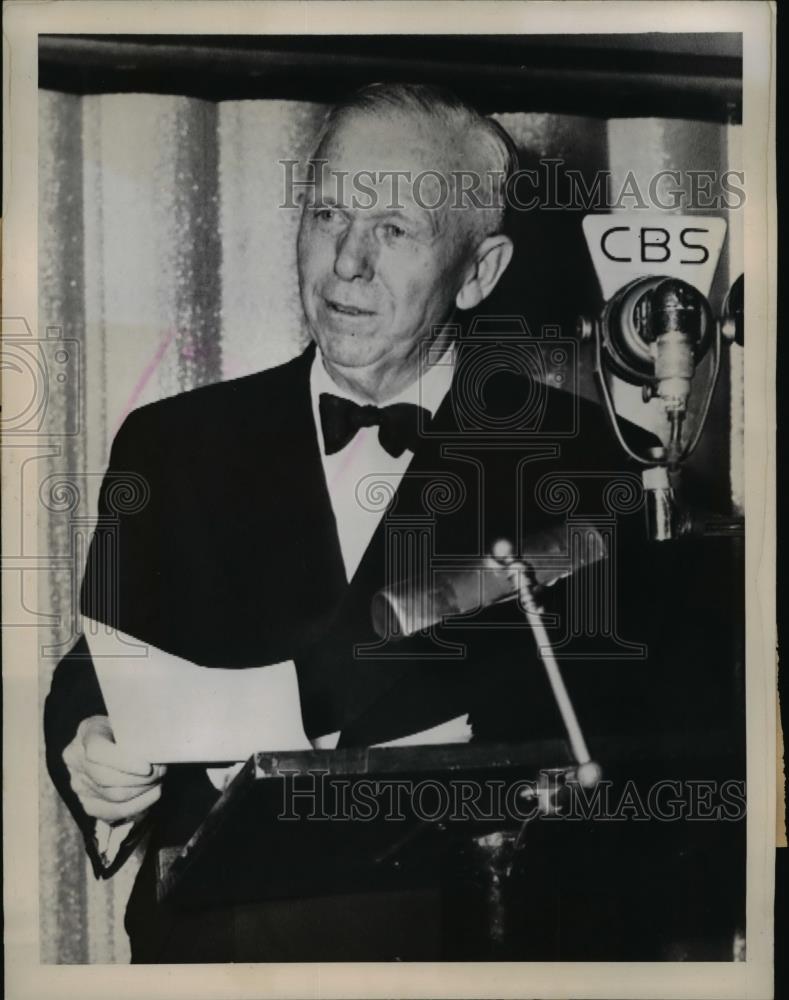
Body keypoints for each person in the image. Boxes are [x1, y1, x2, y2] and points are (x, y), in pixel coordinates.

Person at [45, 82, 660, 962]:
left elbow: (622, 748)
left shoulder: (587, 461)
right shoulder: (171, 443)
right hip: (220, 951)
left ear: (479, 271)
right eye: (329, 214)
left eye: (396, 230)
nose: (346, 263)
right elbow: (96, 667)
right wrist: (90, 749)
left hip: (468, 949)